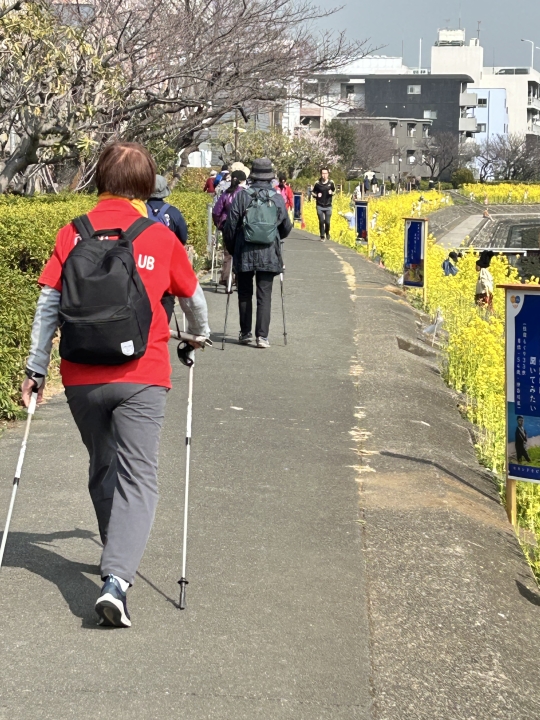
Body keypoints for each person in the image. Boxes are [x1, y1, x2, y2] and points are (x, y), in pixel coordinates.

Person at [21, 141, 210, 628]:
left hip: (80, 376)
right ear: (146, 185)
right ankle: (117, 580)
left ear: (101, 178)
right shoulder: (158, 235)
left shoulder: (72, 233)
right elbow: (194, 299)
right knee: (138, 474)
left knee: (103, 465)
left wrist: (36, 369)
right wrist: (198, 336)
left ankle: (116, 553)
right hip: (142, 375)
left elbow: (47, 306)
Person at [223, 157, 292, 348]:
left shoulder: (242, 196)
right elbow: (286, 226)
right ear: (270, 177)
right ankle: (262, 337)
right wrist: (274, 236)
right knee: (264, 295)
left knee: (244, 293)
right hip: (269, 252)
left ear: (252, 175)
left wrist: (232, 248)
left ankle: (245, 333)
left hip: (244, 250)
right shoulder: (277, 197)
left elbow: (230, 226)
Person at [146, 175, 190, 321]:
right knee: (167, 296)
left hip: (143, 261)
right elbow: (183, 237)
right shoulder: (173, 212)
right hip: (166, 262)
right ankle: (163, 326)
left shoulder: (139, 211)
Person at [212, 169, 247, 285]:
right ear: (243, 181)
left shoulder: (226, 193)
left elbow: (216, 211)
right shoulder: (246, 194)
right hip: (242, 226)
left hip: (227, 226)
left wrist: (219, 224)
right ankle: (239, 278)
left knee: (228, 253)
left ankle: (226, 278)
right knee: (242, 252)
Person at [313, 168, 336, 242]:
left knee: (327, 222)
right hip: (319, 205)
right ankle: (322, 236)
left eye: (325, 173)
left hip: (328, 205)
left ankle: (327, 232)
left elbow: (334, 191)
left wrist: (331, 193)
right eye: (323, 173)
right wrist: (317, 195)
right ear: (321, 174)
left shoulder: (331, 183)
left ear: (328, 174)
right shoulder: (317, 183)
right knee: (321, 221)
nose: (324, 175)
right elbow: (313, 192)